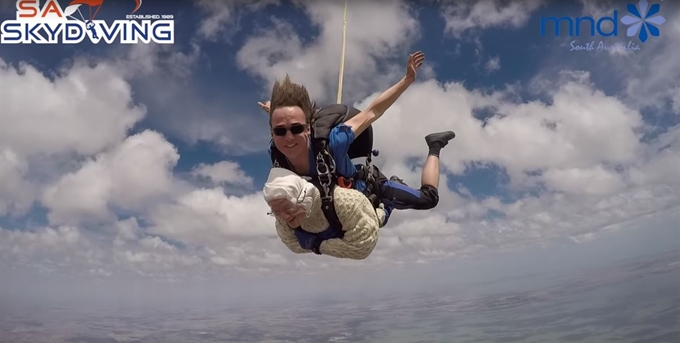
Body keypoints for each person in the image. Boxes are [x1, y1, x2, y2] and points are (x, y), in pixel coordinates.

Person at [259, 51, 456, 216]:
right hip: (332, 205)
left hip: (367, 190)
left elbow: (372, 112)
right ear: (272, 132)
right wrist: (280, 114)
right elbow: (286, 127)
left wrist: (407, 80)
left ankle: (434, 146)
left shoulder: (333, 142)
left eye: (296, 128)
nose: (289, 137)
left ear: (308, 128)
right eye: (280, 131)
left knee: (428, 200)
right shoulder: (277, 153)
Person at [263, 167, 387, 260]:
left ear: (304, 199)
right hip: (340, 228)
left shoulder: (346, 202)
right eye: (276, 211)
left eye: (288, 208)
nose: (284, 216)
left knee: (379, 217)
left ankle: (386, 208)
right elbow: (292, 245)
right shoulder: (281, 216)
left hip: (368, 210)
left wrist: (317, 245)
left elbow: (362, 247)